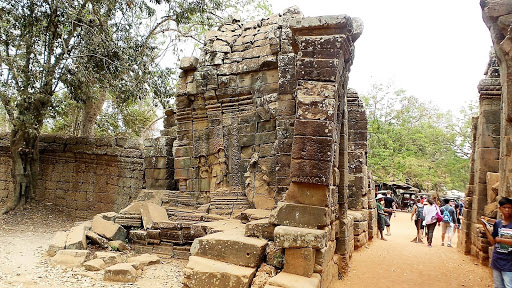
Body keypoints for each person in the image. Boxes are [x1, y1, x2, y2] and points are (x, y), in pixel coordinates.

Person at [482, 197, 512, 288]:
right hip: (497, 260)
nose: (507, 210)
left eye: (509, 208)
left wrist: (501, 240)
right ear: (500, 209)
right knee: (498, 286)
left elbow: (498, 240)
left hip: (509, 262)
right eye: (504, 207)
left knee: (509, 285)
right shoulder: (498, 223)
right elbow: (493, 242)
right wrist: (485, 228)